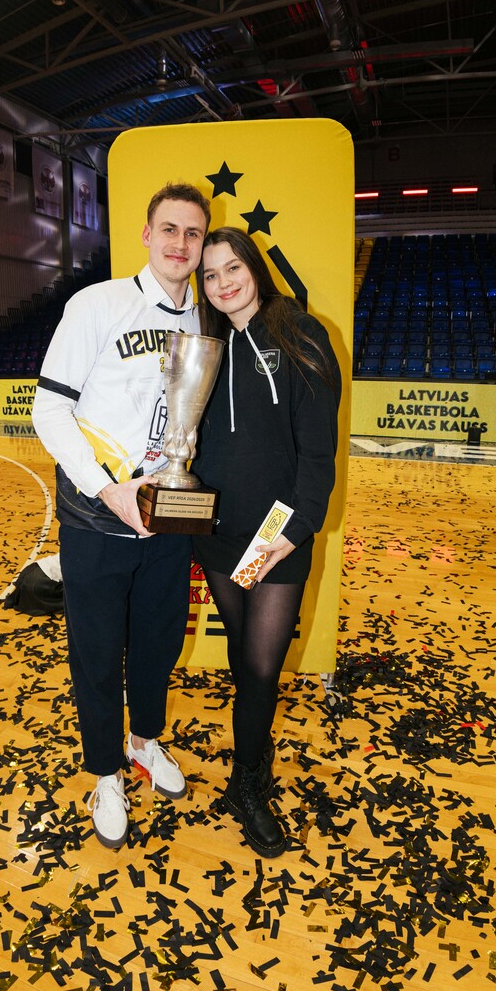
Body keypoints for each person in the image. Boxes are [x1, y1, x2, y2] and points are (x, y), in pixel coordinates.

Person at [32, 181, 209, 850]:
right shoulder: (97, 304)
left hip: (169, 517)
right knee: (99, 655)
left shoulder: (204, 323)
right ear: (146, 235)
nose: (180, 244)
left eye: (193, 233)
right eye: (170, 229)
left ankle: (144, 743)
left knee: (160, 647)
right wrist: (106, 489)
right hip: (97, 519)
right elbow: (49, 409)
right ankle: (106, 772)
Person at [191, 227, 340, 857]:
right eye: (210, 274)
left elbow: (319, 450)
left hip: (274, 537)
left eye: (233, 268)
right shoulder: (203, 344)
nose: (223, 283)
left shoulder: (300, 333)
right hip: (218, 530)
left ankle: (246, 782)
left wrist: (299, 527)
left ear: (254, 267)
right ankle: (255, 747)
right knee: (244, 654)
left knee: (259, 664)